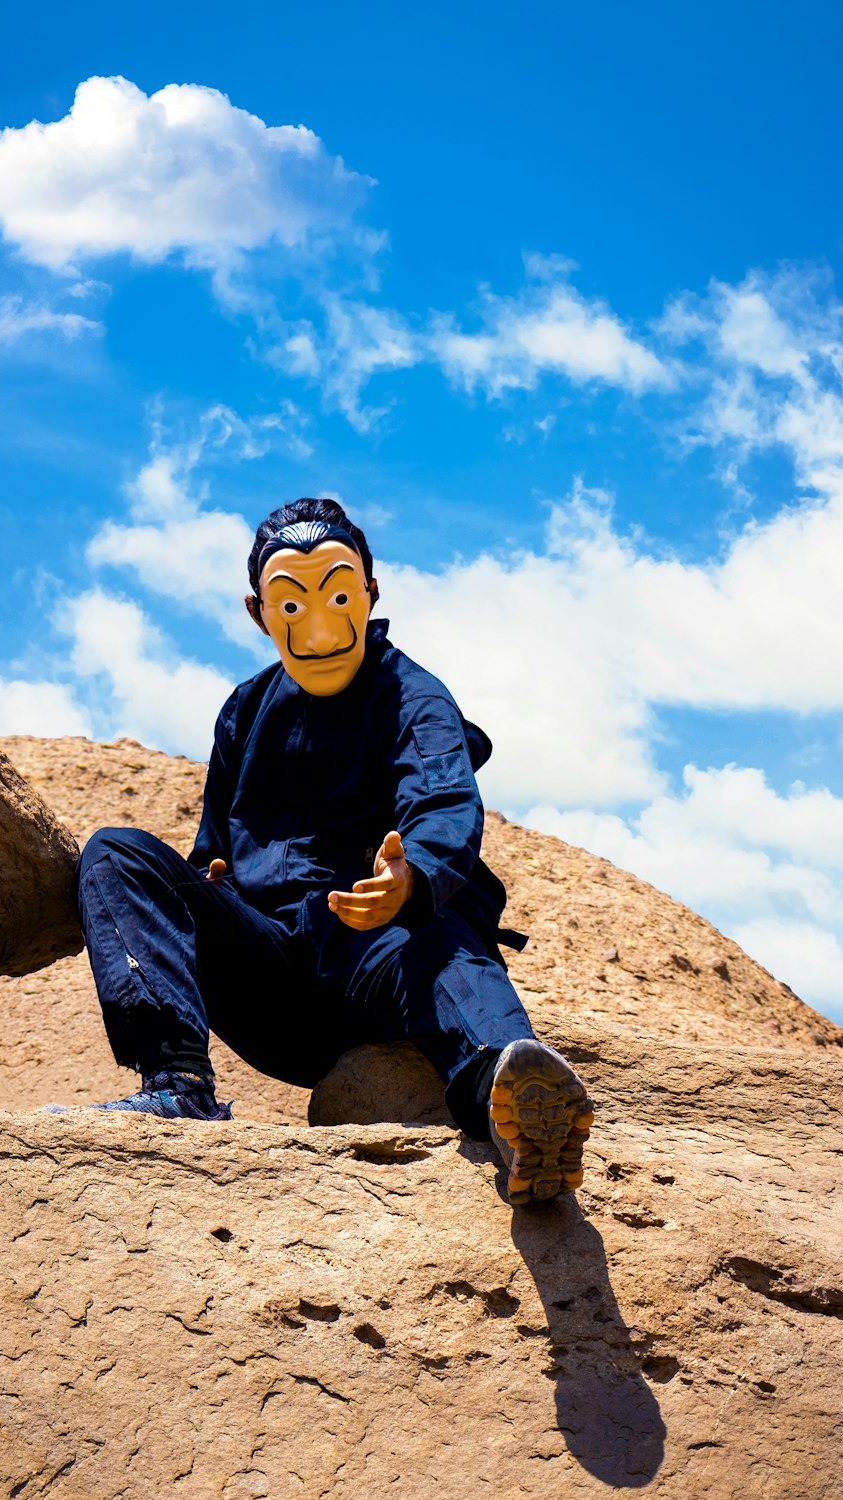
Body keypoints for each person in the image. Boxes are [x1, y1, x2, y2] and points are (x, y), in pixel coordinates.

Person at [61, 498, 594, 1203]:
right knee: (115, 853)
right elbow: (211, 850)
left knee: (438, 935)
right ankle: (177, 1087)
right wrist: (210, 880)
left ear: (369, 592)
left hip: (378, 958)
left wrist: (411, 879)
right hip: (273, 986)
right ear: (259, 613)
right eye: (292, 602)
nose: (317, 623)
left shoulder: (412, 697)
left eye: (337, 593)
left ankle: (513, 1104)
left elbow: (444, 803)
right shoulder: (243, 713)